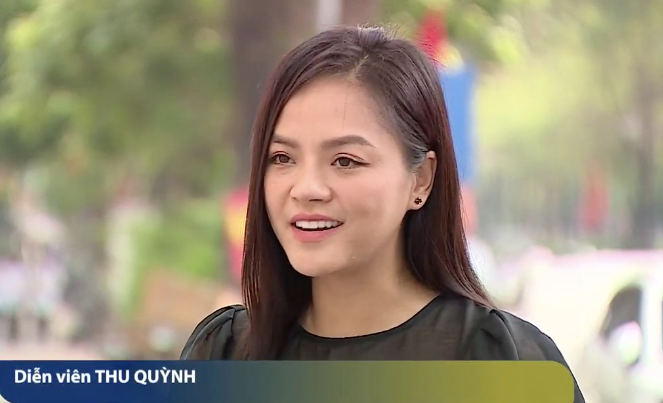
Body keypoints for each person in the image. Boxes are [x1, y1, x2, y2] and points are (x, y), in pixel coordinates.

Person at [181, 26, 584, 402]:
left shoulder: (499, 361)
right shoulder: (225, 353)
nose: (306, 189)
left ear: (420, 180)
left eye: (345, 160)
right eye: (283, 158)